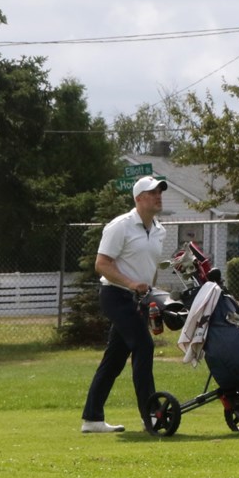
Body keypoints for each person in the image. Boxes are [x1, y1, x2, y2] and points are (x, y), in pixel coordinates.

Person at [81, 175, 168, 434]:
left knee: (115, 359)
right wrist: (131, 284)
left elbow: (148, 268)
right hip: (116, 296)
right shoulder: (120, 226)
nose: (158, 196)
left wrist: (150, 293)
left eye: (160, 192)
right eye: (152, 192)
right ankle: (150, 415)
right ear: (139, 199)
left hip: (139, 299)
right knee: (144, 345)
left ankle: (92, 419)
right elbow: (102, 264)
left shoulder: (160, 230)